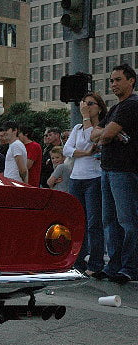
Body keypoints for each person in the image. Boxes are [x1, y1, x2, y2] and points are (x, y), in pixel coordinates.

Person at [90, 63, 138, 284]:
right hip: (108, 170)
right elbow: (94, 134)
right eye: (111, 80)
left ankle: (129, 267)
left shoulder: (131, 104)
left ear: (131, 81)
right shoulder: (114, 108)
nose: (114, 84)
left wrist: (107, 134)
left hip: (124, 171)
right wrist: (106, 134)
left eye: (118, 79)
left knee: (127, 221)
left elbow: (106, 134)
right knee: (109, 221)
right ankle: (114, 266)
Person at [63, 92, 107, 276]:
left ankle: (96, 263)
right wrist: (86, 153)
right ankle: (77, 260)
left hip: (94, 177)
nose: (86, 106)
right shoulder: (77, 128)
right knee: (77, 222)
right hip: (77, 177)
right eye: (84, 103)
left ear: (99, 107)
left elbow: (92, 138)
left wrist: (87, 118)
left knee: (94, 222)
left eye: (91, 103)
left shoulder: (101, 127)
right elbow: (67, 149)